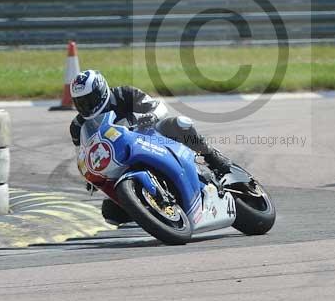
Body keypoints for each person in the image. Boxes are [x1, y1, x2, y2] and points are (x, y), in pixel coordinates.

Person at [68, 69, 233, 223]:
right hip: (119, 162)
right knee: (110, 213)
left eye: (90, 99)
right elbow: (81, 155)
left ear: (102, 90)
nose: (86, 106)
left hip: (146, 136)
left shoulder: (123, 94)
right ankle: (151, 211)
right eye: (80, 102)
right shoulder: (77, 126)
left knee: (178, 124)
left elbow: (158, 106)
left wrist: (151, 116)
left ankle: (212, 156)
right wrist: (91, 174)